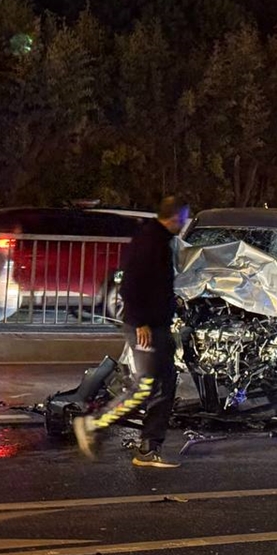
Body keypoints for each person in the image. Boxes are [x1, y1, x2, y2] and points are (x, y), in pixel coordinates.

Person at [73, 196, 190, 468]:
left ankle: (149, 449)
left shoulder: (160, 241)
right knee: (145, 386)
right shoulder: (149, 241)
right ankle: (92, 424)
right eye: (184, 217)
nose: (185, 223)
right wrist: (140, 322)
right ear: (176, 217)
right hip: (145, 327)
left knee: (165, 384)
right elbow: (129, 286)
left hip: (157, 325)